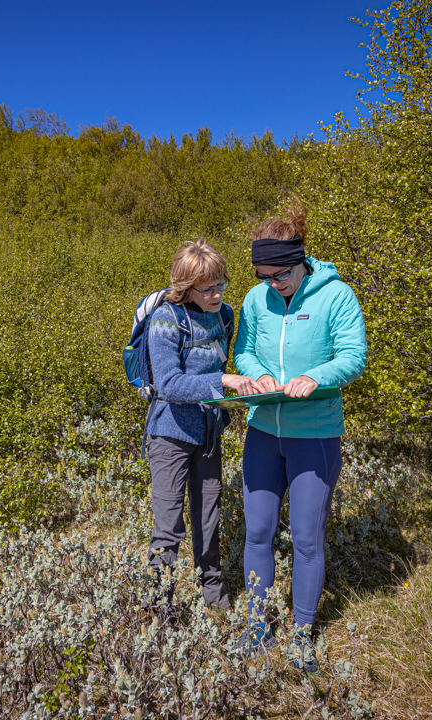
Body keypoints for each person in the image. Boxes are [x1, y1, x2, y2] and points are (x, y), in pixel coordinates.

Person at [232, 202, 367, 670]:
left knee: (307, 539)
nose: (273, 284)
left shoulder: (336, 296)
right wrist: (258, 377)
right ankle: (257, 627)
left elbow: (354, 355)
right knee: (259, 531)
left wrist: (319, 377)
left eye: (280, 274)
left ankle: (303, 635)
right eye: (264, 276)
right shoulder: (255, 300)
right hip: (263, 432)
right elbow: (244, 353)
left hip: (317, 435)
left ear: (299, 260)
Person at [145, 240, 262, 611]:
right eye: (207, 287)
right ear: (186, 287)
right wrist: (223, 381)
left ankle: (214, 598)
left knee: (208, 519)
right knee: (169, 527)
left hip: (209, 433)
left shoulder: (224, 315)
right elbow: (169, 385)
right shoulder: (166, 320)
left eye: (221, 284)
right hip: (170, 434)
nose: (216, 294)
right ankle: (158, 608)